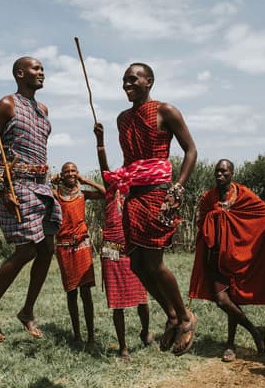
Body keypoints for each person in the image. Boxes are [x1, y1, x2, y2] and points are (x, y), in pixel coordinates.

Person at [0, 56, 62, 342]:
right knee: (26, 250)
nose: (42, 73)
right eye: (36, 69)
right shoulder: (6, 105)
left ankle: (27, 311)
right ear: (20, 73)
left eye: (43, 69)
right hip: (17, 184)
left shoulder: (43, 109)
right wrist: (2, 187)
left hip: (42, 184)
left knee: (47, 248)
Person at [115, 62, 198, 356]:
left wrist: (178, 187)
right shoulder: (122, 119)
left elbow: (190, 149)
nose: (127, 84)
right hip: (133, 197)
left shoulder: (166, 111)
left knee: (154, 263)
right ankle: (173, 315)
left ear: (149, 81)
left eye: (133, 79)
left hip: (157, 195)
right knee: (138, 266)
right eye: (124, 80)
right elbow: (129, 162)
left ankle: (186, 317)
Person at [188, 159, 265, 362]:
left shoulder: (243, 195)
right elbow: (203, 224)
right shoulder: (208, 198)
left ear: (232, 173)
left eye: (224, 171)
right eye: (217, 171)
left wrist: (245, 240)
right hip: (214, 259)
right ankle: (254, 330)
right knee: (222, 300)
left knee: (231, 300)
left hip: (236, 257)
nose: (220, 175)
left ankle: (230, 344)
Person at [94, 123, 153, 360]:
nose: (122, 175)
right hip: (112, 249)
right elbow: (104, 167)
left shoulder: (139, 193)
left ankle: (146, 332)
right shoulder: (111, 190)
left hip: (134, 249)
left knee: (142, 298)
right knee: (117, 303)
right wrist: (100, 142)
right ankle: (123, 346)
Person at [51, 162, 104, 346]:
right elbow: (41, 190)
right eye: (67, 171)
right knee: (71, 292)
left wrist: (85, 180)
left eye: (74, 171)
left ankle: (90, 336)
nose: (71, 174)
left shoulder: (83, 194)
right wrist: (52, 180)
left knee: (86, 292)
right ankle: (77, 335)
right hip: (64, 247)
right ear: (62, 175)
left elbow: (106, 193)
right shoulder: (56, 194)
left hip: (82, 245)